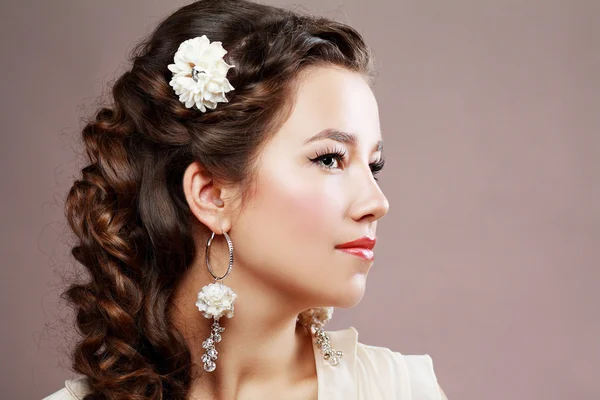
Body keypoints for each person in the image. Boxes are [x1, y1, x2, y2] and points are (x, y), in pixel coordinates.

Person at [43, 0, 448, 399]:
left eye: (373, 166)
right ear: (212, 195)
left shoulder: (401, 390)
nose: (378, 203)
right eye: (330, 158)